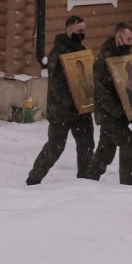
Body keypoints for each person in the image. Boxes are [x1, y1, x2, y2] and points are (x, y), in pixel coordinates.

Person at [27, 16, 95, 185]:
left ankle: (85, 179)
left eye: (84, 31)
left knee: (87, 144)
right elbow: (56, 86)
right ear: (69, 29)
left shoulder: (81, 49)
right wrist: (71, 102)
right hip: (61, 111)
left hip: (81, 109)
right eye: (79, 31)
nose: (82, 34)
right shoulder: (57, 53)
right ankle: (34, 178)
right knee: (55, 147)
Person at [82, 23, 132, 185]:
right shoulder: (104, 59)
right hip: (109, 114)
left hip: (120, 112)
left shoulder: (124, 56)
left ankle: (88, 181)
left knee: (105, 151)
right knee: (128, 143)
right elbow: (101, 92)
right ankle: (127, 185)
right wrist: (117, 112)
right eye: (128, 38)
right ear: (118, 37)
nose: (131, 42)